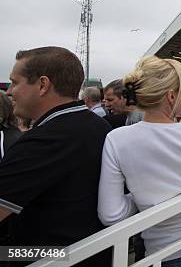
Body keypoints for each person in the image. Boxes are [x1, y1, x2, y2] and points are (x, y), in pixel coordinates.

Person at [98, 56, 181, 266]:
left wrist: (145, 198)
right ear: (171, 96)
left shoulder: (117, 139)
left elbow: (111, 215)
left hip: (161, 250)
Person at [0, 47, 111, 266]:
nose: (10, 91)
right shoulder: (100, 126)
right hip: (91, 252)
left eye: (15, 82)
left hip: (50, 256)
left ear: (43, 85)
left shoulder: (43, 141)